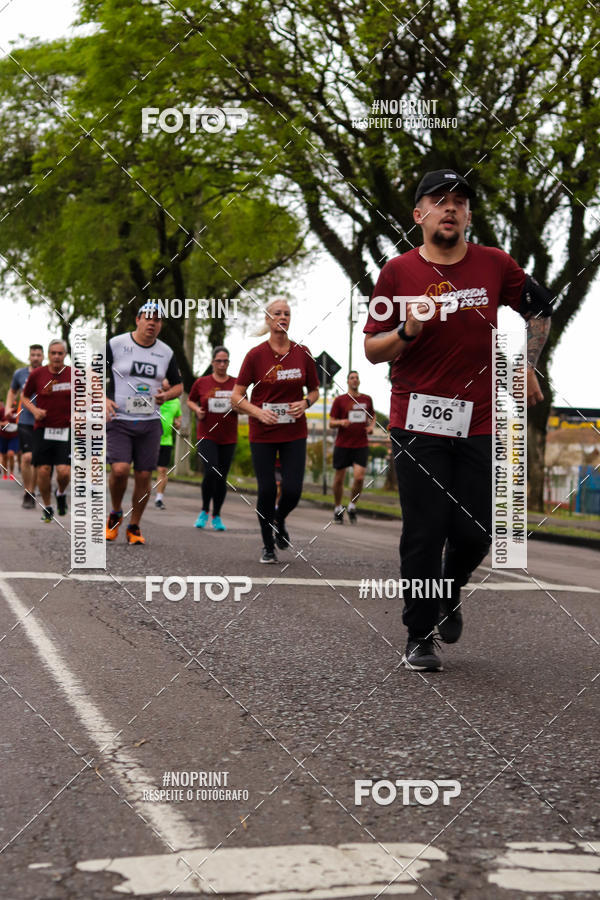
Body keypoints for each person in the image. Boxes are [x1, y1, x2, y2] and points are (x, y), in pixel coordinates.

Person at [364, 168, 551, 672]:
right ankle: (419, 634)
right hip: (416, 418)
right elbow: (373, 349)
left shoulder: (495, 264)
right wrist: (407, 328)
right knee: (425, 529)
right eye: (439, 199)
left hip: (481, 419)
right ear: (418, 214)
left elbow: (541, 307)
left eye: (460, 201)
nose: (451, 208)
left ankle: (449, 589)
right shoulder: (397, 273)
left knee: (479, 529)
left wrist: (526, 365)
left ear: (468, 214)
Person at [231, 299, 320, 563]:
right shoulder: (255, 355)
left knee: (292, 490)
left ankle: (279, 520)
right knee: (267, 490)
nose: (282, 316)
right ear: (268, 320)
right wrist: (258, 412)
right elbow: (236, 396)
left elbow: (314, 390)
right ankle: (268, 545)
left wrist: (305, 403)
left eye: (287, 313)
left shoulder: (302, 352)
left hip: (294, 431)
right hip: (263, 431)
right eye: (277, 313)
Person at [105, 302, 183, 545]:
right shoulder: (116, 344)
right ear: (137, 319)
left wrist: (166, 396)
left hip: (149, 422)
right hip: (120, 419)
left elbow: (179, 386)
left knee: (143, 475)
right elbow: (92, 372)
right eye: (148, 318)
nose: (152, 323)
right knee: (119, 471)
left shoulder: (166, 352)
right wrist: (103, 397)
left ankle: (134, 525)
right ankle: (116, 511)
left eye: (157, 320)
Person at [187, 346, 238, 531]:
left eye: (225, 361)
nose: (222, 364)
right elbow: (190, 400)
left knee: (221, 477)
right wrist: (197, 410)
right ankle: (203, 511)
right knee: (211, 471)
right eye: (219, 361)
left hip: (228, 437)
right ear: (212, 362)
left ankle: (216, 515)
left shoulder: (236, 383)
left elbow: (243, 404)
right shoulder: (202, 382)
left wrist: (236, 406)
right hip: (206, 434)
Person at [21, 339, 72, 522]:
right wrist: (34, 411)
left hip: (65, 429)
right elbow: (25, 396)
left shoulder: (74, 374)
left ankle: (60, 493)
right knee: (43, 470)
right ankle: (48, 506)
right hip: (43, 429)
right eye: (53, 353)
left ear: (65, 354)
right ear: (48, 355)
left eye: (60, 353)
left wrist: (78, 413)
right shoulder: (38, 374)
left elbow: (84, 398)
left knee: (64, 472)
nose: (57, 356)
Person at [329, 371, 374, 524]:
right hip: (343, 444)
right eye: (352, 378)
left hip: (361, 444)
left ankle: (352, 505)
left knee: (359, 477)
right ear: (347, 381)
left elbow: (372, 416)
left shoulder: (366, 399)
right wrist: (341, 422)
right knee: (339, 479)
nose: (354, 380)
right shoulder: (340, 400)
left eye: (356, 378)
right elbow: (331, 422)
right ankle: (337, 507)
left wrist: (371, 427)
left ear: (359, 381)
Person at [6, 343, 44, 506]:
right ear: (29, 356)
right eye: (33, 354)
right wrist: (8, 406)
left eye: (38, 355)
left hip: (44, 421)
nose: (35, 357)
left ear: (43, 357)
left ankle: (32, 490)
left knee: (37, 460)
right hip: (25, 420)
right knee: (27, 457)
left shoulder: (49, 373)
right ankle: (28, 493)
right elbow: (12, 391)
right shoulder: (20, 374)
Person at [154, 379, 182, 510]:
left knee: (162, 470)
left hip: (166, 440)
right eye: (166, 379)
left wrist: (178, 422)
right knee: (145, 471)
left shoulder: (176, 402)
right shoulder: (152, 397)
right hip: (150, 439)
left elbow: (179, 416)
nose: (168, 383)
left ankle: (159, 498)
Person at [0, 401, 19, 481]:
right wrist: (3, 423)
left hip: (14, 436)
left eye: (14, 405)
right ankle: (5, 474)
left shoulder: (18, 411)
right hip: (3, 436)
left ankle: (11, 473)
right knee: (4, 456)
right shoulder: (2, 411)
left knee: (11, 454)